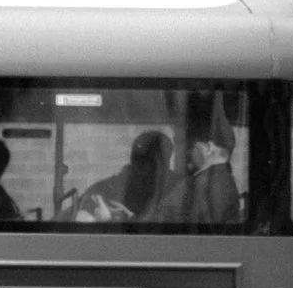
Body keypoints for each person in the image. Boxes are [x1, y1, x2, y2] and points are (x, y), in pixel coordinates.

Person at [146, 93, 241, 227]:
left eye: (191, 146)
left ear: (208, 148)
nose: (187, 153)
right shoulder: (224, 182)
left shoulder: (205, 184)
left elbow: (164, 222)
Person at [65, 132, 171, 224]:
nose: (155, 171)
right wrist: (96, 221)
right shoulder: (103, 191)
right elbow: (66, 222)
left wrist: (130, 218)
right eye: (144, 162)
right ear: (134, 161)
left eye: (162, 164)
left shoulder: (173, 190)